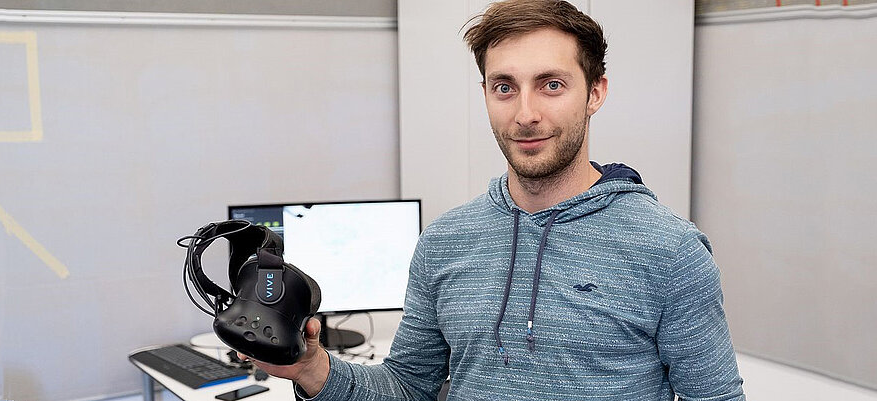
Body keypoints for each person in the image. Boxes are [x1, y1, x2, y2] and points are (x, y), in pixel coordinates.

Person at [247, 0, 746, 399]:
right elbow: (406, 387)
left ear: (595, 93)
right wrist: (312, 368)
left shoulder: (670, 249)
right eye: (505, 87)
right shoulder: (445, 241)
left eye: (551, 85)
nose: (525, 113)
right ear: (485, 92)